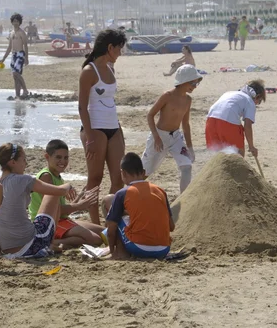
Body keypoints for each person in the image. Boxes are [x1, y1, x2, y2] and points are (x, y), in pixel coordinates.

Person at [0, 143, 79, 259]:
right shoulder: (23, 180)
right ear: (13, 162)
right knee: (52, 194)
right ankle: (50, 243)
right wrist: (68, 185)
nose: (26, 163)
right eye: (24, 160)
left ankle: (49, 243)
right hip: (29, 246)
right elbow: (58, 191)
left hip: (5, 249)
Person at [78, 29, 127, 225]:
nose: (120, 53)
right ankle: (95, 224)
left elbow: (110, 101)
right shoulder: (89, 71)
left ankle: (110, 221)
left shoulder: (111, 69)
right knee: (95, 179)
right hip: (94, 130)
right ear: (109, 47)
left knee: (118, 179)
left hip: (114, 128)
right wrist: (89, 138)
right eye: (119, 49)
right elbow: (82, 107)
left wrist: (120, 129)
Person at [28, 140, 103, 249]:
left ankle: (60, 241)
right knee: (96, 239)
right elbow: (56, 210)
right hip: (48, 224)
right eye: (58, 157)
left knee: (102, 231)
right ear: (47, 157)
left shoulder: (58, 177)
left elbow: (60, 209)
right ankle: (54, 242)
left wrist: (80, 197)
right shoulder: (46, 176)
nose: (62, 161)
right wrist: (81, 205)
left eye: (66, 158)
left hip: (61, 220)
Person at [102, 153, 174, 259]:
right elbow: (171, 227)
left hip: (139, 248)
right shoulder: (160, 191)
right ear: (144, 172)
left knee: (112, 211)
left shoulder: (122, 193)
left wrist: (112, 250)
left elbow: (111, 230)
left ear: (123, 173)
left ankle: (119, 253)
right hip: (163, 249)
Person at [142, 65, 202, 194]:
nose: (195, 86)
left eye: (196, 83)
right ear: (183, 81)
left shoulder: (188, 100)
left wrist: (190, 148)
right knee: (144, 172)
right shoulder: (167, 96)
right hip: (159, 137)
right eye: (192, 83)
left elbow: (185, 124)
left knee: (187, 167)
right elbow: (150, 115)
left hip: (176, 138)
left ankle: (183, 198)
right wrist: (156, 137)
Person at [205, 79, 266, 157]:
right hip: (228, 123)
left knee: (216, 154)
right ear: (257, 96)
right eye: (259, 101)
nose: (257, 104)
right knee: (238, 155)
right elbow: (247, 126)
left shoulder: (229, 93)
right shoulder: (249, 101)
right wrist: (251, 146)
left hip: (210, 121)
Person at [0, 13, 29, 99]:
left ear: (20, 22)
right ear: (12, 22)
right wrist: (3, 58)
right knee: (15, 76)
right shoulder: (11, 33)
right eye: (14, 21)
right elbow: (9, 47)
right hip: (13, 55)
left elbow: (25, 46)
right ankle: (17, 95)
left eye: (17, 21)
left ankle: (25, 90)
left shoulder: (21, 32)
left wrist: (26, 58)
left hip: (20, 54)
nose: (15, 23)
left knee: (16, 73)